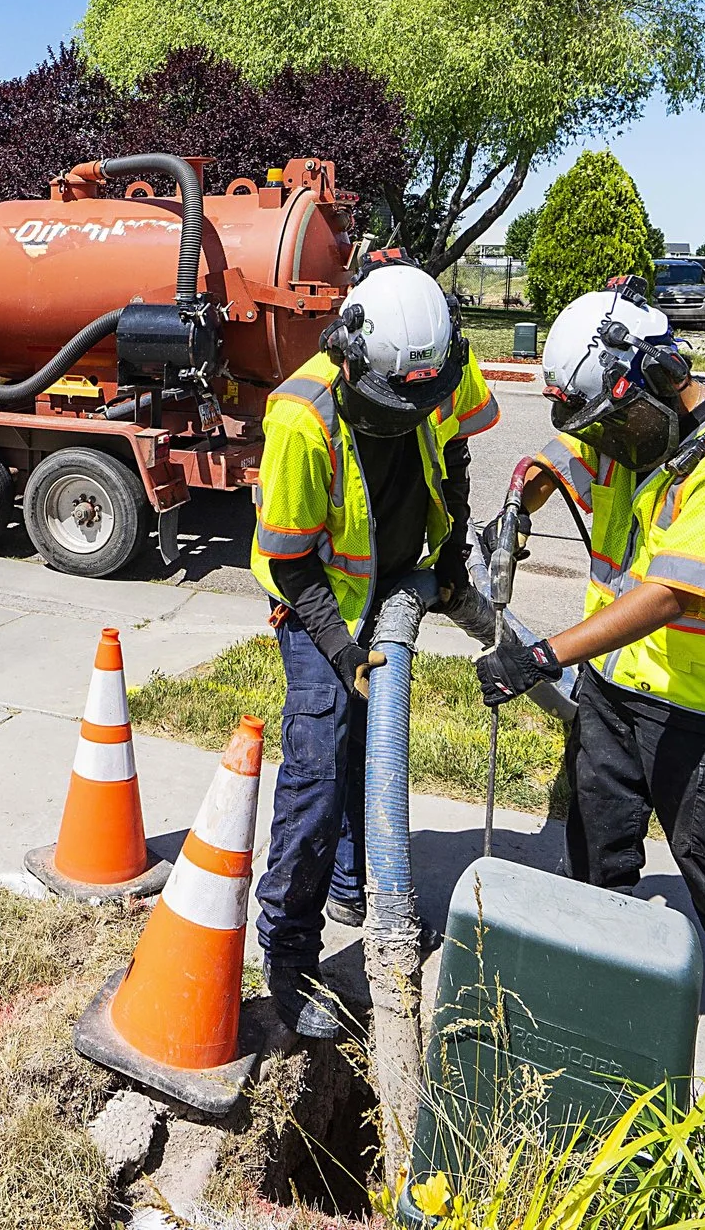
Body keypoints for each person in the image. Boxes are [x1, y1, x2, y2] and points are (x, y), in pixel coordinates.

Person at [476, 283, 705, 1120]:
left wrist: (541, 654)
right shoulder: (628, 431)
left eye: (612, 421)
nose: (607, 443)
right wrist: (521, 492)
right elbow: (564, 460)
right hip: (613, 703)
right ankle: (597, 1012)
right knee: (595, 861)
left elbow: (672, 596)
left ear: (653, 372)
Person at [250, 257, 499, 1036]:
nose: (406, 414)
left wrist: (452, 555)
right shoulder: (301, 414)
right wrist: (339, 646)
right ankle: (289, 952)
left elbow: (454, 454)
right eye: (391, 403)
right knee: (322, 760)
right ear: (351, 356)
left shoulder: (438, 360)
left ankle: (357, 882)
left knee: (370, 748)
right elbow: (289, 558)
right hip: (317, 596)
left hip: (392, 577)